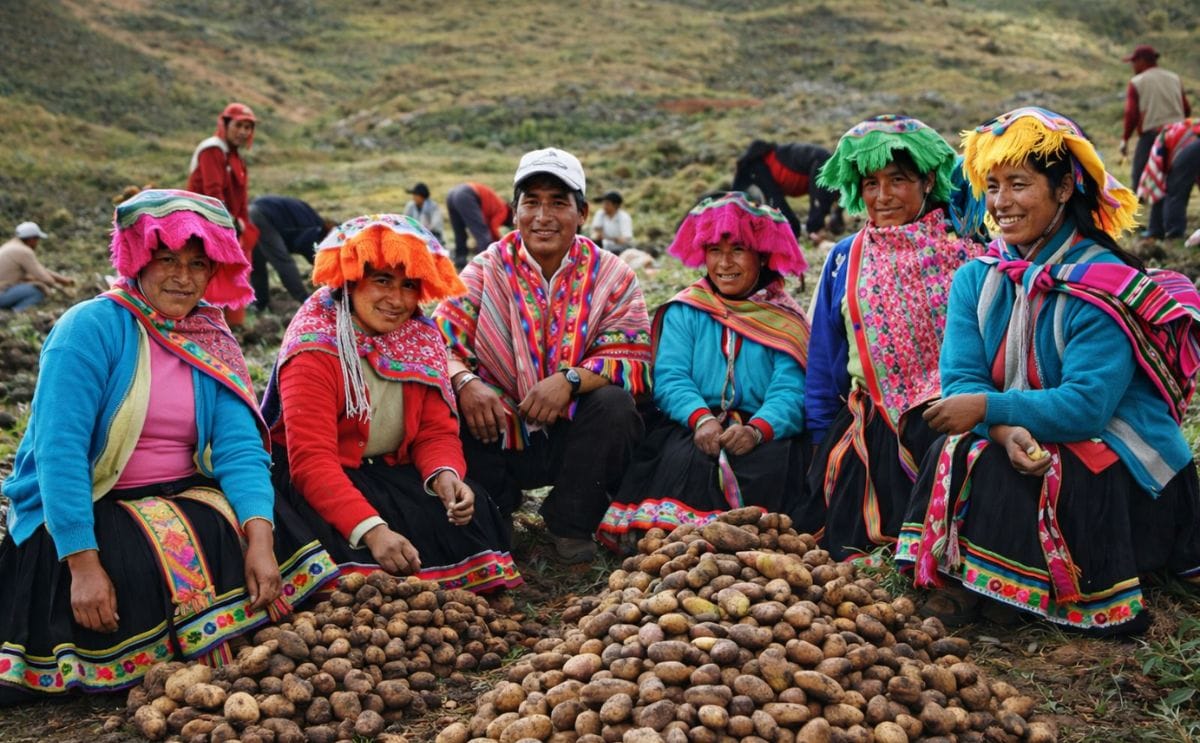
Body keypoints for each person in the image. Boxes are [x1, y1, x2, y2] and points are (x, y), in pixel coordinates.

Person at [0, 189, 335, 704]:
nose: (183, 276)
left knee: (264, 525)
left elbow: (239, 447)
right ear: (138, 260)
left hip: (178, 491)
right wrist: (83, 565)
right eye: (167, 260)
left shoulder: (209, 335)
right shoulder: (90, 328)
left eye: (198, 264)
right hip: (86, 505)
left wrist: (261, 542)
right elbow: (59, 452)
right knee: (136, 560)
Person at [900, 107, 1200, 634]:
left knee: (1056, 465)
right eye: (992, 186)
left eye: (1019, 184)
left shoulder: (1102, 286)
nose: (1001, 203)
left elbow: (1087, 406)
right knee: (959, 448)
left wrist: (991, 409)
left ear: (1063, 189)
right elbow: (963, 378)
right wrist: (1002, 424)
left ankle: (1022, 593)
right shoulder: (977, 277)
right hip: (1025, 423)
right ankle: (972, 584)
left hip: (1115, 447)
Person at [261, 214, 522, 592]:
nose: (396, 300)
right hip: (319, 480)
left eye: (408, 285)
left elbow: (435, 432)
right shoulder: (314, 347)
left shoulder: (421, 339)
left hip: (385, 472)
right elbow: (312, 462)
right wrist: (373, 530)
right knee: (345, 561)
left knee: (473, 507)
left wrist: (446, 475)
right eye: (382, 280)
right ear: (350, 279)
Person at [434, 147, 652, 564]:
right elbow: (440, 344)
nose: (542, 216)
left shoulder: (613, 274)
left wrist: (569, 381)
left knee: (616, 405)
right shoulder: (484, 269)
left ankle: (570, 521)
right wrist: (467, 383)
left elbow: (630, 354)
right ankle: (495, 510)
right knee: (449, 404)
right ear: (514, 212)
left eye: (558, 203)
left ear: (582, 212)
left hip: (573, 435)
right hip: (495, 429)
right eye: (531, 202)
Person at [799, 115, 986, 563]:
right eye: (870, 184)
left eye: (898, 180)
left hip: (954, 419)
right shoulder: (845, 259)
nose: (882, 197)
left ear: (927, 181)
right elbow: (825, 356)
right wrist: (821, 438)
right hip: (871, 426)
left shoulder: (971, 250)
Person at [596, 192, 810, 552]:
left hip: (763, 431)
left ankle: (747, 549)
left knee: (771, 472)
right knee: (683, 461)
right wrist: (702, 419)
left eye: (738, 250)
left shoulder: (786, 318)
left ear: (761, 254)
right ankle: (678, 550)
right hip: (693, 424)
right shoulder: (687, 310)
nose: (724, 263)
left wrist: (759, 430)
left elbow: (791, 389)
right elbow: (672, 376)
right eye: (714, 251)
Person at [187, 102, 259, 328]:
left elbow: (242, 198)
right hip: (205, 225)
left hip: (227, 224)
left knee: (233, 272)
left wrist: (243, 225)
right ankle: (206, 324)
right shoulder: (213, 150)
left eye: (248, 127)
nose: (243, 132)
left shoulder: (236, 158)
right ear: (225, 124)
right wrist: (229, 223)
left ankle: (229, 327)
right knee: (208, 276)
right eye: (239, 125)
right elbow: (213, 192)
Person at [1118, 45, 1191, 239]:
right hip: (1181, 135)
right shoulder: (1174, 78)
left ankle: (1142, 225)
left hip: (1154, 136)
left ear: (1142, 60)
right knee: (1173, 180)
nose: (1133, 66)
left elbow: (1131, 114)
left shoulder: (1138, 82)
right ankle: (1167, 227)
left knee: (1143, 179)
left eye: (1134, 61)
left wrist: (1125, 139)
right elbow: (1186, 108)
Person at [732, 140, 846, 240]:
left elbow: (777, 202)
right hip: (823, 162)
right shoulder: (760, 166)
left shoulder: (759, 168)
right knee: (819, 216)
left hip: (820, 163)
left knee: (815, 224)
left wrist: (795, 229)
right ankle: (822, 231)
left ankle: (819, 235)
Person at [247, 195, 334, 310]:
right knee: (282, 261)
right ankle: (305, 301)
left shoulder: (313, 221)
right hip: (262, 216)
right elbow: (313, 256)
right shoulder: (314, 231)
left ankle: (260, 303)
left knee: (257, 259)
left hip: (253, 212)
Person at [1137, 118, 1200, 240]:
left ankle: (1173, 231)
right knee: (1176, 188)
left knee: (1174, 191)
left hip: (1191, 146)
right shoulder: (1177, 129)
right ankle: (1160, 229)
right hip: (1192, 145)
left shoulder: (1160, 143)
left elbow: (1160, 178)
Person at [0, 221, 74, 311]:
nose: (37, 243)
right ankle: (16, 312)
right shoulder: (23, 251)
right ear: (31, 239)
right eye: (37, 239)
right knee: (38, 291)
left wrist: (64, 280)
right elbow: (45, 278)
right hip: (2, 294)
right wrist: (62, 290)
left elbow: (40, 270)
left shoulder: (11, 246)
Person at [445, 182, 512, 269]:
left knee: (459, 232)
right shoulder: (504, 210)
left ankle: (460, 262)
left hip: (452, 195)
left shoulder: (497, 205)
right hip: (466, 194)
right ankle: (486, 266)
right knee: (483, 236)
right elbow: (492, 228)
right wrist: (500, 244)